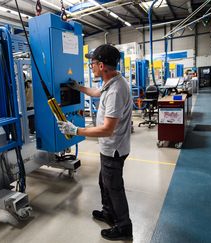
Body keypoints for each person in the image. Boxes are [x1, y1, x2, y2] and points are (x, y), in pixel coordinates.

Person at [58, 44, 133, 241]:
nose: (90, 66)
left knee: (114, 187)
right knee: (104, 182)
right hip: (110, 147)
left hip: (113, 148)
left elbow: (107, 129)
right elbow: (97, 93)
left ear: (101, 65)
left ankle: (124, 226)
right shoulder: (112, 82)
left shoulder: (116, 90)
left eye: (92, 63)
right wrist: (78, 87)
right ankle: (108, 212)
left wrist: (76, 131)